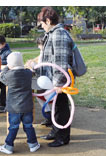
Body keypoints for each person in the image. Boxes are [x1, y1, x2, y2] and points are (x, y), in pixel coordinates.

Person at [33, 6, 73, 147]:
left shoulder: (59, 34)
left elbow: (61, 62)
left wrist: (58, 84)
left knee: (61, 107)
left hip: (60, 80)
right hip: (52, 78)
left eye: (42, 24)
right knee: (55, 106)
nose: (42, 27)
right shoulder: (51, 34)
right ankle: (55, 132)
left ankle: (62, 137)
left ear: (48, 21)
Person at [0, 52, 40, 154]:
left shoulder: (9, 75)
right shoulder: (28, 73)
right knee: (28, 126)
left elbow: (1, 76)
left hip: (14, 108)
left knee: (13, 127)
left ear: (10, 64)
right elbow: (33, 71)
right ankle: (33, 144)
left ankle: (8, 146)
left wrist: (7, 67)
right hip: (27, 107)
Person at [26, 36, 53, 127]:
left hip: (48, 80)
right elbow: (38, 60)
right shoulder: (44, 52)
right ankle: (49, 115)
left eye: (39, 45)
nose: (38, 47)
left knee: (45, 96)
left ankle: (51, 116)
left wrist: (33, 65)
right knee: (39, 95)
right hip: (47, 80)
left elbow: (41, 68)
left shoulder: (46, 53)